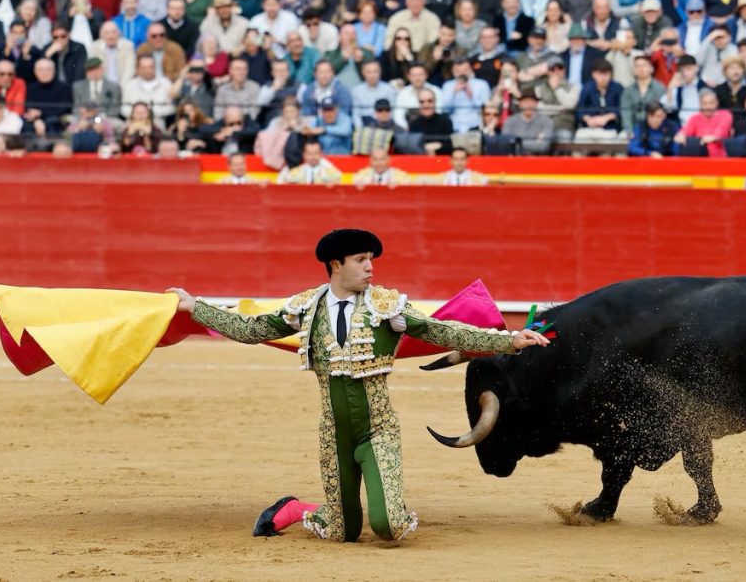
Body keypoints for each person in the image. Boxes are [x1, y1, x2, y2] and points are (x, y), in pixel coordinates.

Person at [168, 228, 546, 542]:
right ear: (336, 265)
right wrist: (194, 308)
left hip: (377, 432)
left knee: (388, 526)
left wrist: (507, 340)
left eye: (371, 259)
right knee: (341, 532)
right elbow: (251, 329)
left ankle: (384, 504)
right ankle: (296, 509)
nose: (370, 267)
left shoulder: (387, 307)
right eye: (361, 260)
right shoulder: (307, 307)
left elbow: (441, 330)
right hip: (334, 433)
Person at [674, 88, 733, 156]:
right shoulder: (695, 118)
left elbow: (719, 134)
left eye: (711, 103)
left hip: (719, 159)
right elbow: (680, 135)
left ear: (717, 103)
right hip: (698, 156)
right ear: (700, 105)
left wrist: (697, 140)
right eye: (704, 103)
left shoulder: (725, 115)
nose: (708, 107)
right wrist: (683, 136)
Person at [277, 138, 343, 184]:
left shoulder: (329, 171)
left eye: (316, 153)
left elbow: (341, 183)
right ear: (304, 155)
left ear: (321, 154)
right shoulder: (295, 172)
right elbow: (281, 184)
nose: (313, 157)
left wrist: (335, 184)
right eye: (309, 154)